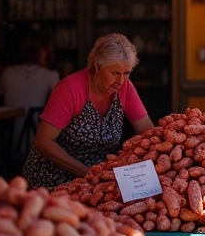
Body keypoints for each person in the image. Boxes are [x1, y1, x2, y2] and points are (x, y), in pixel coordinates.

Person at [23, 33, 155, 188]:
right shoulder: (70, 88)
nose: (121, 81)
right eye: (115, 73)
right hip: (53, 178)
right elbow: (43, 141)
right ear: (97, 66)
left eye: (127, 73)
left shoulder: (125, 87)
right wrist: (87, 173)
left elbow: (149, 134)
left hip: (97, 178)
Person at [0, 35, 61, 161]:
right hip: (38, 139)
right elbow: (57, 108)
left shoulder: (8, 72)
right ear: (43, 52)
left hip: (6, 140)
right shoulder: (51, 75)